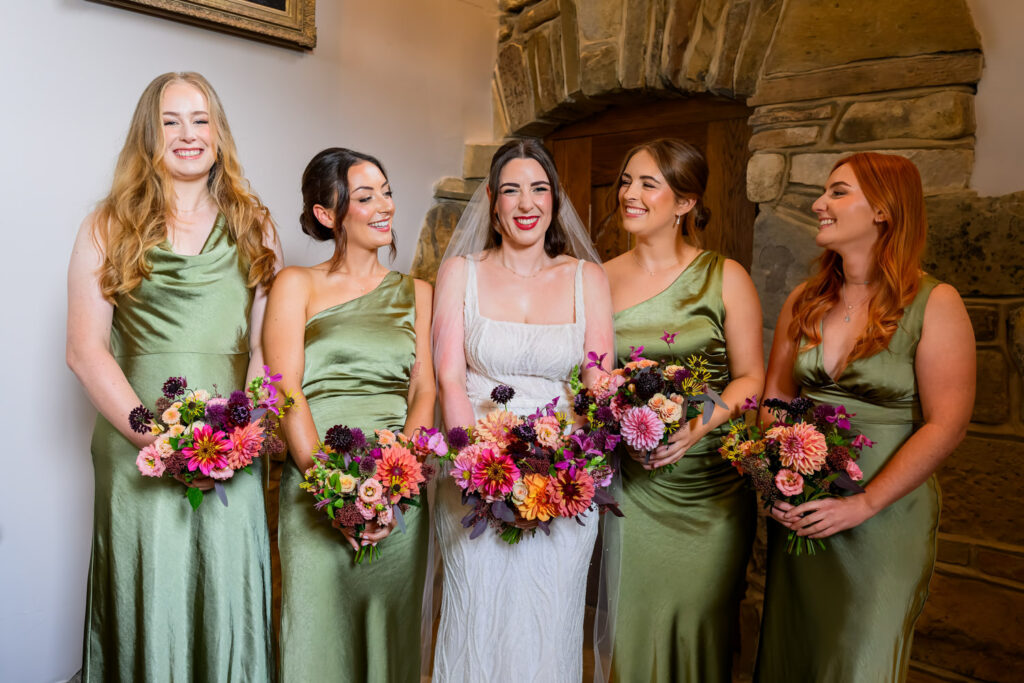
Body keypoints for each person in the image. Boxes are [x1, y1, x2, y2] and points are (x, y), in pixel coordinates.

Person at [67, 72, 281, 682]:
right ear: (149, 135)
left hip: (233, 448)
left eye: (201, 119)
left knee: (227, 588)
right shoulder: (107, 227)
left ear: (219, 133)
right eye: (171, 121)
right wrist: (151, 435)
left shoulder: (254, 226)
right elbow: (85, 350)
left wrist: (245, 436)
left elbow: (268, 351)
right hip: (133, 442)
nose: (188, 135)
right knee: (147, 590)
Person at [754, 152, 975, 682]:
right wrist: (780, 480)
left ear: (882, 209)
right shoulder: (804, 301)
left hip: (884, 518)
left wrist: (865, 505)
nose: (818, 204)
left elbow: (947, 425)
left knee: (859, 660)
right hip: (805, 511)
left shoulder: (934, 302)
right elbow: (777, 398)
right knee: (795, 654)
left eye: (837, 192)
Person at [430, 138, 616, 682]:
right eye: (511, 189)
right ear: (492, 200)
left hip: (563, 473)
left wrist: (573, 466)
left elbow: (596, 379)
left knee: (548, 619)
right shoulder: (460, 272)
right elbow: (448, 376)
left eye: (539, 188)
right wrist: (476, 469)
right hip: (476, 469)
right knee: (476, 616)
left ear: (555, 199)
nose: (526, 202)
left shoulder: (587, 278)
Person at [263, 148, 435, 682]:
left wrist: (397, 480)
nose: (384, 205)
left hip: (398, 494)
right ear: (327, 214)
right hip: (315, 487)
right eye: (365, 196)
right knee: (316, 634)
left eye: (386, 191)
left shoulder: (418, 292)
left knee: (390, 634)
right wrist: (329, 489)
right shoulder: (295, 284)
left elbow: (424, 387)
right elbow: (285, 388)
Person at [601, 139, 763, 682]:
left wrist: (696, 428)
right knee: (633, 625)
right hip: (636, 484)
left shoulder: (726, 277)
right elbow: (590, 377)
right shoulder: (597, 279)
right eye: (626, 180)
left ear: (685, 203)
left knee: (701, 623)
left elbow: (750, 379)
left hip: (710, 485)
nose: (630, 193)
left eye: (649, 184)